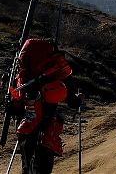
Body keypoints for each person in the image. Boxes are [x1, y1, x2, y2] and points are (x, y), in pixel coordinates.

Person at [12, 38, 83, 174]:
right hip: (46, 124)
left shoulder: (23, 74)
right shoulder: (53, 69)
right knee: (43, 166)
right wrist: (78, 100)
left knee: (27, 165)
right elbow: (71, 100)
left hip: (24, 123)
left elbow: (15, 100)